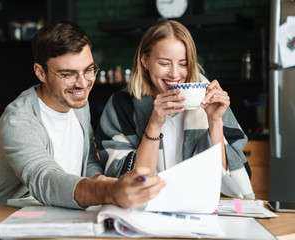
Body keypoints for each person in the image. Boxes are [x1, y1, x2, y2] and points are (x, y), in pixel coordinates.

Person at [0, 21, 165, 240]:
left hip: (61, 227)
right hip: (11, 233)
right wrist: (109, 192)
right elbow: (46, 180)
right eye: (68, 74)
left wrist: (101, 179)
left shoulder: (77, 104)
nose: (83, 84)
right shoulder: (19, 121)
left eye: (89, 70)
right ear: (41, 72)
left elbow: (87, 160)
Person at [95, 20, 254, 199]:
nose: (175, 74)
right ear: (145, 61)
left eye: (183, 63)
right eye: (164, 63)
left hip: (200, 209)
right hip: (147, 211)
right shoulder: (121, 105)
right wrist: (154, 123)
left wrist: (215, 122)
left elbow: (227, 184)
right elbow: (128, 184)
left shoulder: (208, 96)